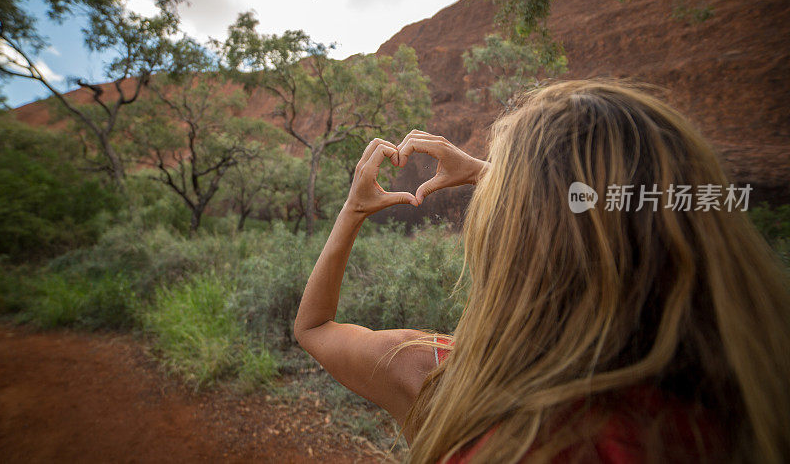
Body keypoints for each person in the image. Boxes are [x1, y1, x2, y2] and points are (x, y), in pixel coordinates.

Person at [293, 80, 790, 463]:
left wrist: (353, 210)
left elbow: (313, 327)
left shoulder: (442, 379)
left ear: (509, 247)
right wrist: (494, 174)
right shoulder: (754, 398)